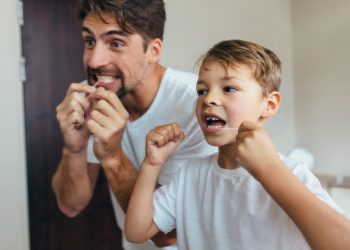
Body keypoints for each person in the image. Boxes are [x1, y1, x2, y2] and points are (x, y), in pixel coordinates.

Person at [124, 40, 350, 250]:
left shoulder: (291, 173)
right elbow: (136, 231)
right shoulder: (189, 174)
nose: (208, 99)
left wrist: (270, 170)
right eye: (201, 90)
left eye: (229, 88)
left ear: (269, 105)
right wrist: (152, 164)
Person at [51, 0, 216, 249]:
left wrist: (112, 156)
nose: (94, 61)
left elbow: (168, 235)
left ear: (154, 50)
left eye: (116, 43)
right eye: (89, 41)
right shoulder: (91, 100)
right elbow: (70, 205)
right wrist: (73, 148)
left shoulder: (199, 106)